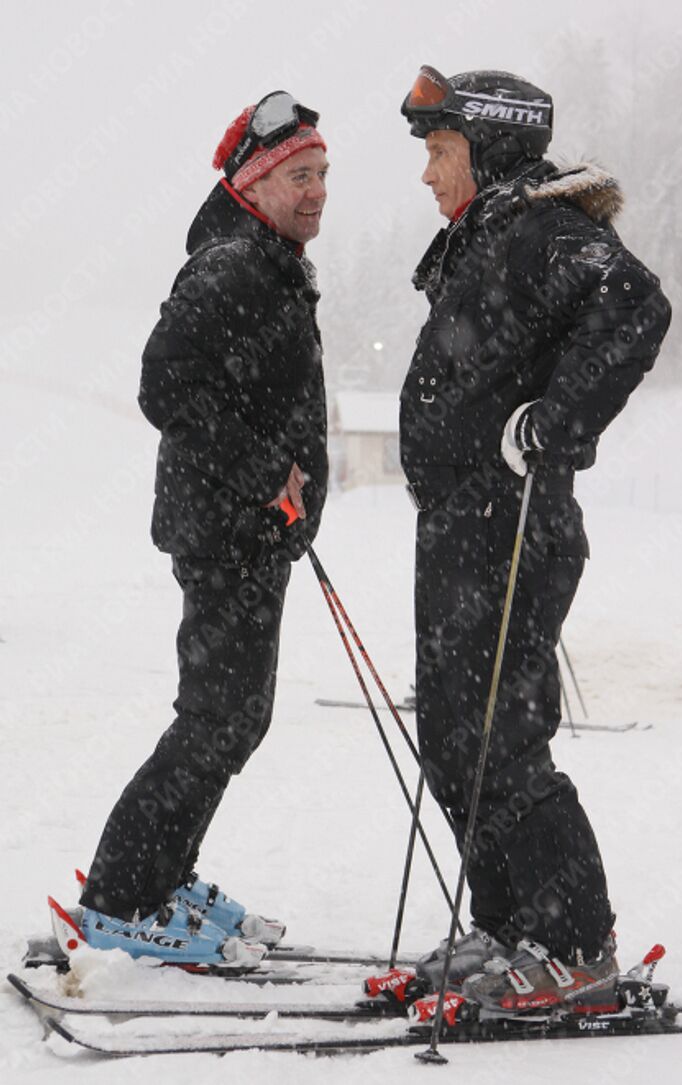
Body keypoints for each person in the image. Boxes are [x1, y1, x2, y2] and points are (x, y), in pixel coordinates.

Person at [399, 66, 671, 1011]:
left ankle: (577, 948)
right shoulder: (490, 236)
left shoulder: (542, 230)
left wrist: (553, 425)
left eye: (440, 151)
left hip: (514, 526)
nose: (430, 174)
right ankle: (515, 924)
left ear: (492, 145)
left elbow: (638, 304)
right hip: (461, 527)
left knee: (502, 740)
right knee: (451, 735)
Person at [75, 92, 329, 968]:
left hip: (252, 531)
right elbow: (163, 386)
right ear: (256, 182)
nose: (318, 190)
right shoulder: (231, 265)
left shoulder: (270, 258)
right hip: (223, 529)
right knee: (217, 717)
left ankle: (160, 878)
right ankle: (118, 896)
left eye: (323, 174)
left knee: (233, 716)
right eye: (300, 175)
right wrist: (268, 475)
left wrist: (288, 496)